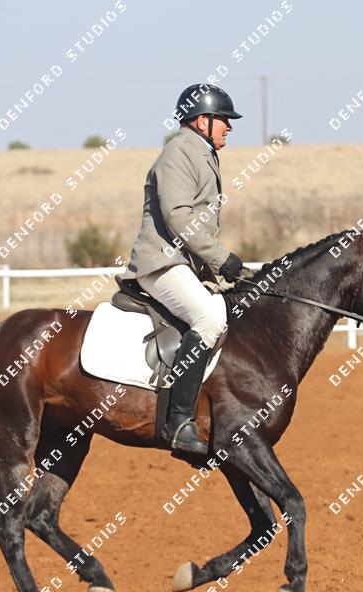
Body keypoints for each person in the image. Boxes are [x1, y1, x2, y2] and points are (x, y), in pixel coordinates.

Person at [127, 83, 245, 456]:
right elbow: (179, 218)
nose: (229, 127)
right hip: (160, 262)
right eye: (224, 119)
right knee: (209, 320)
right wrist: (221, 258)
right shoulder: (179, 152)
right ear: (201, 120)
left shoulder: (201, 152)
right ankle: (178, 423)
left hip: (182, 264)